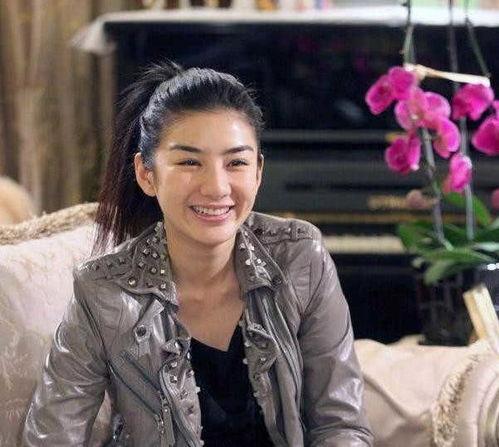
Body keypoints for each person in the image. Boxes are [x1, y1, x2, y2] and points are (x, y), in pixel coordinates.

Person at [22, 61, 373, 446]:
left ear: (257, 171)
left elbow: (341, 425)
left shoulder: (301, 256)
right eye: (190, 162)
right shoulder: (102, 290)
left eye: (236, 163)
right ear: (146, 174)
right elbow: (50, 436)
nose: (217, 187)